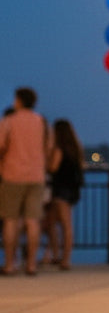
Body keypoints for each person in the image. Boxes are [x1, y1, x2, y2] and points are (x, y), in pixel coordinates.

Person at [0, 87, 51, 276]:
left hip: (12, 175)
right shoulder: (43, 123)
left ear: (18, 101)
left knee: (11, 221)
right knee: (33, 221)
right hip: (36, 176)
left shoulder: (8, 122)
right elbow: (48, 148)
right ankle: (31, 264)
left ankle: (10, 264)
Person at [42, 118, 85, 271]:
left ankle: (64, 258)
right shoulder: (75, 149)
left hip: (60, 190)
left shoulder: (59, 149)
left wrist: (46, 160)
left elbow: (53, 168)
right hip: (72, 189)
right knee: (52, 223)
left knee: (63, 224)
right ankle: (56, 255)